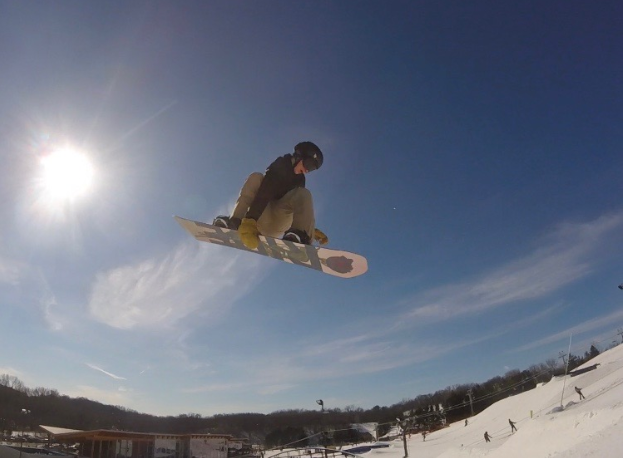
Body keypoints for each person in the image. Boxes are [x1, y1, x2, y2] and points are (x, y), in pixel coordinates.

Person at [213, 142, 328, 249]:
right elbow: (266, 190)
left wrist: (310, 230)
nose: (307, 170)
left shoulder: (300, 181)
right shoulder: (281, 164)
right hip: (257, 219)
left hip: (279, 221)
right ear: (299, 156)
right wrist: (250, 220)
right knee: (256, 178)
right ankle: (235, 222)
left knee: (303, 193)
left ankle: (300, 237)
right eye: (309, 164)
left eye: (312, 169)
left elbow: (299, 207)